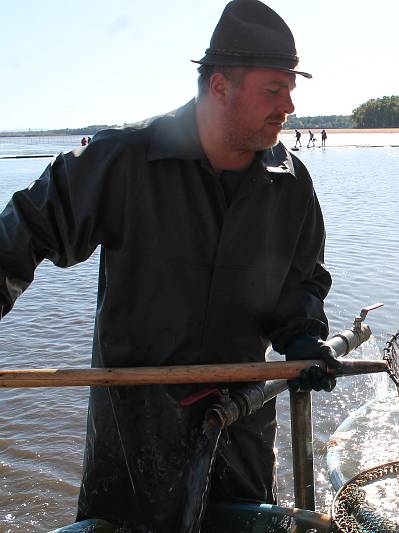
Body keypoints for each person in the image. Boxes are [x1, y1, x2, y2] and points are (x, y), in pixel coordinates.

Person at [0, 1, 338, 530]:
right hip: (135, 430)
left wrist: (302, 335)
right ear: (220, 86)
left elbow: (302, 282)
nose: (289, 106)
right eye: (274, 90)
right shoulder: (124, 159)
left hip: (241, 421)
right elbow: (24, 230)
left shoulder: (291, 184)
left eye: (291, 89)